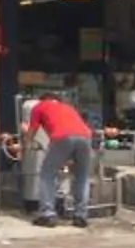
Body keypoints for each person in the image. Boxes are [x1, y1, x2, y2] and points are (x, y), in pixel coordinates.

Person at [28, 90, 95, 228]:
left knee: (47, 175)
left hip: (62, 138)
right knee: (82, 177)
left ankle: (47, 214)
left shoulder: (39, 107)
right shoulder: (68, 107)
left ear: (42, 99)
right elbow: (71, 129)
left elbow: (32, 130)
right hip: (85, 138)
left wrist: (26, 145)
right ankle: (80, 215)